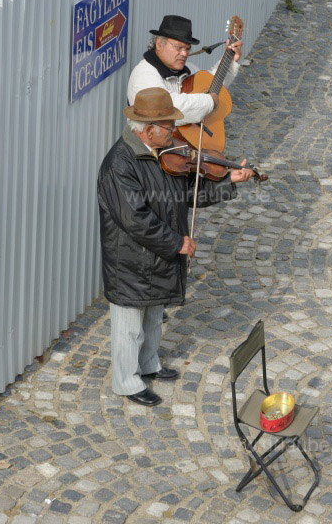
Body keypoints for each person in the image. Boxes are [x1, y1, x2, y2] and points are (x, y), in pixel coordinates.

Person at [97, 87, 253, 407]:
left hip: (157, 257)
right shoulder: (119, 164)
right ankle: (126, 381)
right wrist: (176, 243)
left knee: (154, 315)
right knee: (129, 327)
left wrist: (228, 182)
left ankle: (148, 364)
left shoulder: (164, 153)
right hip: (131, 261)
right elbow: (135, 219)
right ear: (148, 129)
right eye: (169, 125)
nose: (174, 131)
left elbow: (189, 195)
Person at [127, 14, 242, 126]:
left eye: (187, 48)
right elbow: (168, 106)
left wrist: (230, 61)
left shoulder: (191, 69)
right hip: (153, 144)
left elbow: (213, 87)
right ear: (159, 44)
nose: (184, 53)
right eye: (178, 48)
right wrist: (209, 102)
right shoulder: (144, 74)